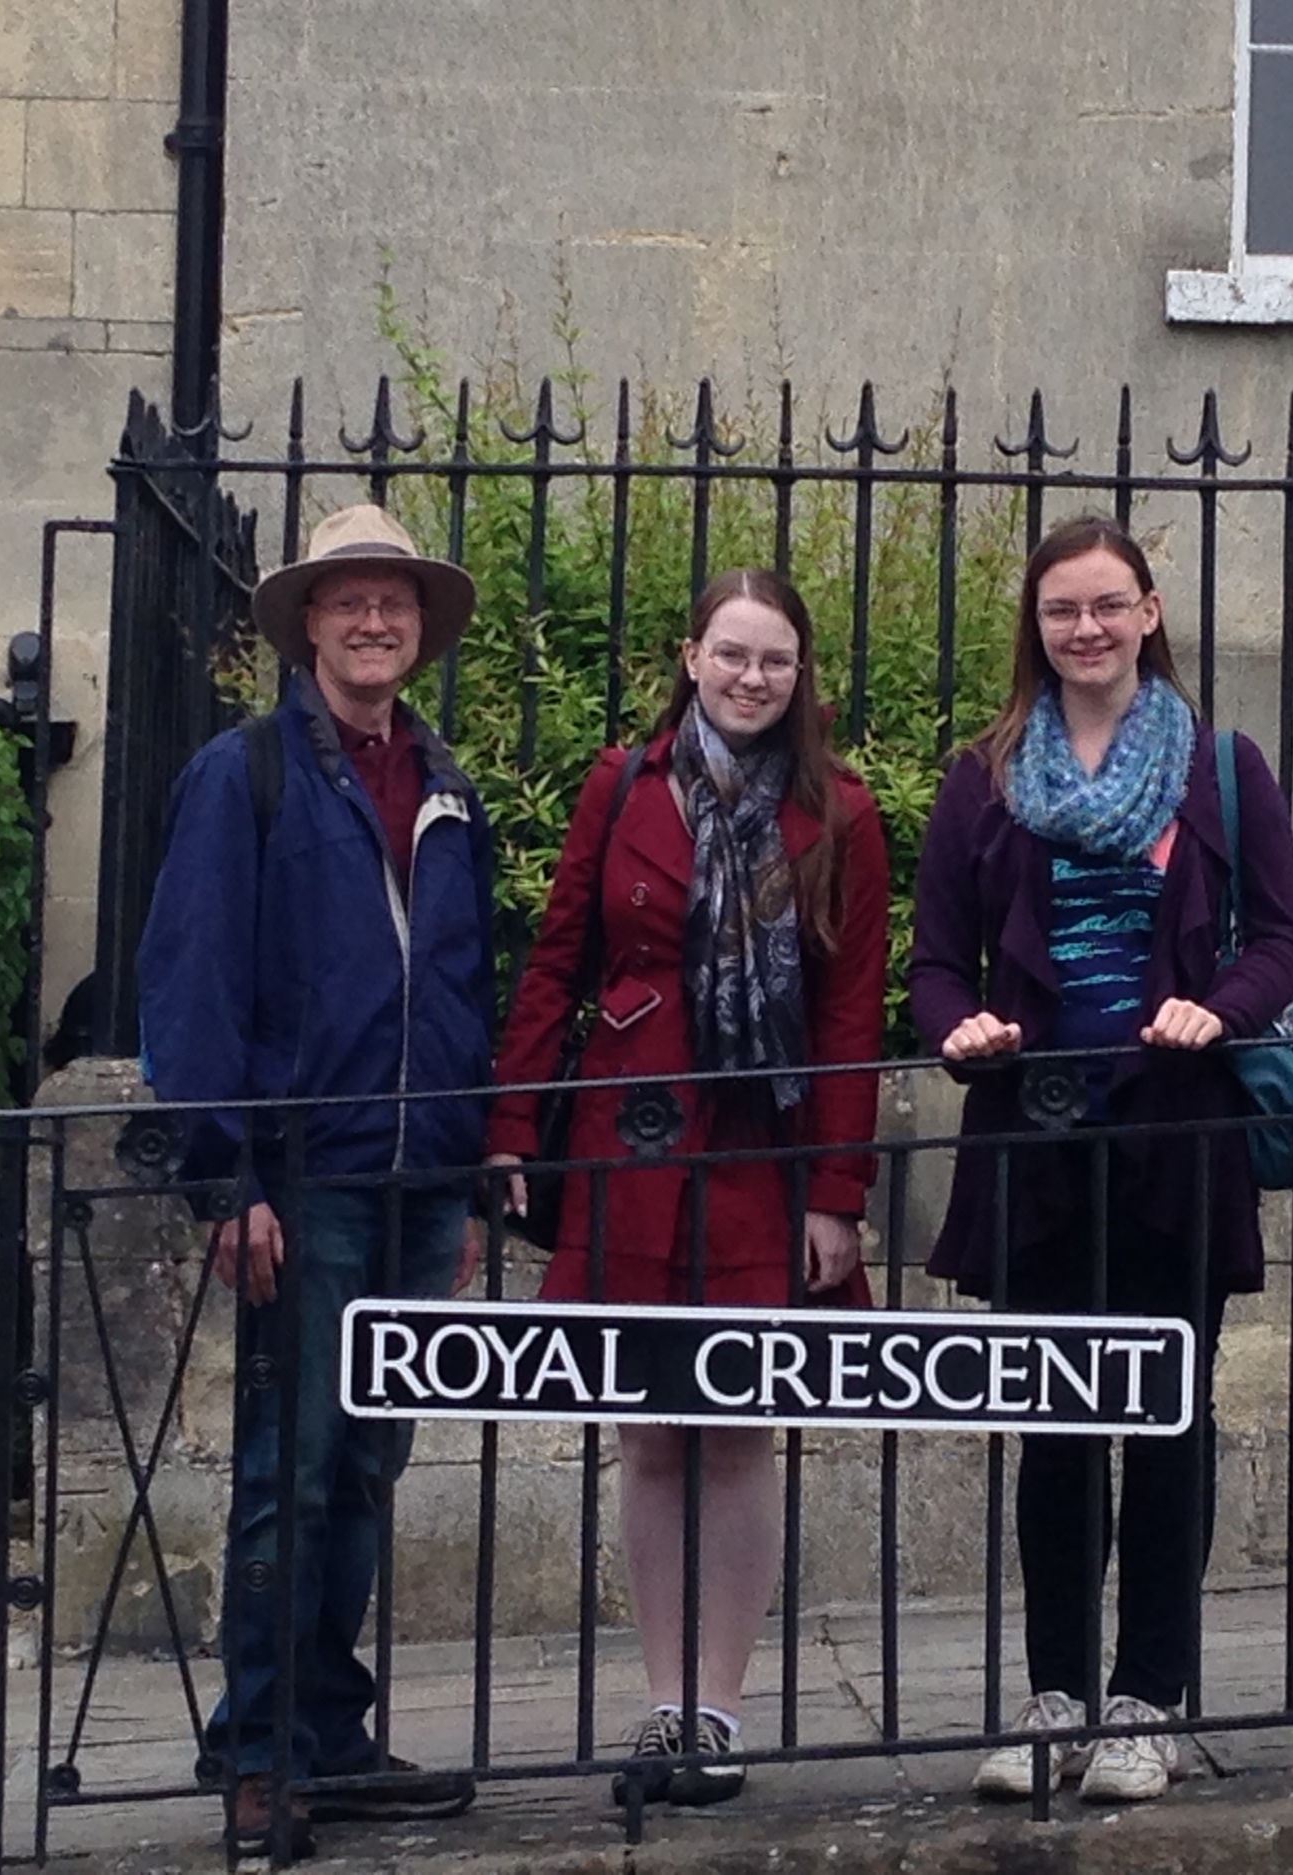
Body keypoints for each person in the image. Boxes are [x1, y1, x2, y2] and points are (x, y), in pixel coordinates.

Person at [908, 514, 1293, 1805]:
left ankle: (1150, 1700)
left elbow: (1283, 941)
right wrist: (955, 1025)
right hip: (1034, 1137)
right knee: (1053, 1428)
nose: (1084, 629)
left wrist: (1223, 1007)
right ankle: (1056, 1698)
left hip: (1172, 1138)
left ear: (1149, 612)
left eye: (1106, 605)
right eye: (1060, 611)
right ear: (1037, 628)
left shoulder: (1223, 768)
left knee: (1166, 1421)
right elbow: (934, 959)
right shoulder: (983, 777)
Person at [486, 568, 890, 1807]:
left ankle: (716, 1710)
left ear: (800, 672)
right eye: (731, 654)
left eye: (775, 659)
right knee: (652, 1430)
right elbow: (557, 959)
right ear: (690, 655)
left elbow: (845, 1014)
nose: (752, 677)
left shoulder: (846, 814)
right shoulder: (622, 787)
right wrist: (508, 1131)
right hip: (628, 1133)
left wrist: (836, 1191)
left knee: (737, 1424)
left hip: (759, 1149)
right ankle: (663, 1708)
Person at [139, 504, 494, 1857]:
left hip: (415, 1182)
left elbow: (460, 987)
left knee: (364, 1466)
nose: (372, 621)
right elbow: (192, 979)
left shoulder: (444, 781)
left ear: (418, 625)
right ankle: (261, 1749)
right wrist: (225, 1179)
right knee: (289, 1467)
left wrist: (461, 1179)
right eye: (347, 601)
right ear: (305, 625)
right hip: (307, 1178)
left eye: (393, 601)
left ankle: (329, 1736)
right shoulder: (247, 776)